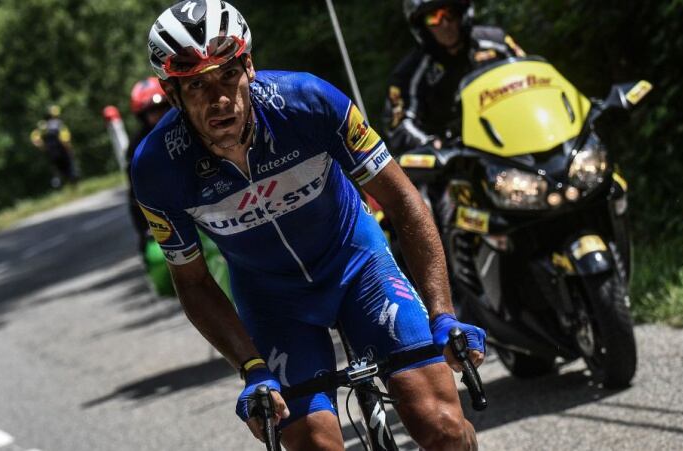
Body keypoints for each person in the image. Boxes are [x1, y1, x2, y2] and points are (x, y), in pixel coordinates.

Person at [133, 1, 485, 450]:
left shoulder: (308, 102)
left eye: (228, 74)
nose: (219, 98)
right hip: (273, 302)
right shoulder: (158, 168)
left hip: (358, 267)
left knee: (444, 429)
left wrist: (442, 313)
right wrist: (251, 369)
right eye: (197, 84)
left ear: (249, 66)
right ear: (171, 92)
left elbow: (402, 200)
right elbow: (193, 281)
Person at [383, 0, 525, 154]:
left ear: (462, 13)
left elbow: (533, 77)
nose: (445, 24)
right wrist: (431, 145)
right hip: (459, 157)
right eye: (433, 18)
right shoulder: (409, 72)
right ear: (422, 26)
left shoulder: (496, 41)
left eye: (449, 14)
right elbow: (398, 126)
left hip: (515, 135)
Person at [127, 78, 171, 254]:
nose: (159, 115)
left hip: (207, 203)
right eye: (152, 111)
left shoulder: (194, 127)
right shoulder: (137, 147)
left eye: (163, 108)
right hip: (166, 212)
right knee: (155, 257)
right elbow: (136, 194)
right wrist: (146, 230)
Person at [30, 104, 79, 188]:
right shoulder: (59, 124)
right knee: (69, 168)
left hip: (51, 153)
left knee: (58, 170)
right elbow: (65, 139)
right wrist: (68, 147)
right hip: (62, 151)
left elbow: (35, 138)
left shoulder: (43, 126)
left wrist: (43, 147)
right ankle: (72, 183)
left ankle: (59, 183)